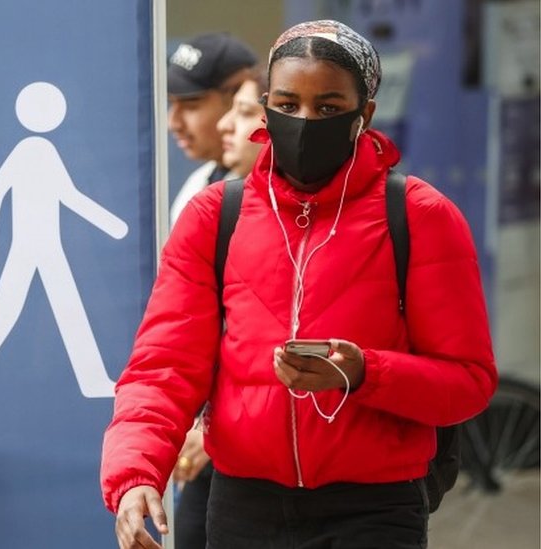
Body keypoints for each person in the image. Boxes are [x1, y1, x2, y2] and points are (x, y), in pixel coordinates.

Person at [102, 20, 497, 549]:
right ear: (265, 107)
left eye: (329, 107)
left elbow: (468, 381)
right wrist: (134, 476)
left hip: (374, 510)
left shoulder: (420, 216)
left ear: (365, 115)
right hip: (244, 507)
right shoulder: (215, 215)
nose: (305, 120)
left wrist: (365, 372)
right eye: (287, 105)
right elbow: (163, 367)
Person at [170, 65, 270, 549]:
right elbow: (172, 346)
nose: (228, 124)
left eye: (245, 111)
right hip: (222, 444)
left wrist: (210, 432)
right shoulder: (211, 201)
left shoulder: (376, 218)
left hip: (254, 454)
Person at [167, 33, 257, 223]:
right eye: (172, 104)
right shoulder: (198, 183)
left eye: (191, 105)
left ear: (239, 95)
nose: (173, 123)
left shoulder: (282, 195)